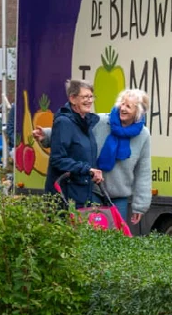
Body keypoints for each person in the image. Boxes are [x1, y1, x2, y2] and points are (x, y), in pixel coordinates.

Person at [37, 88, 153, 225]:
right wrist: (47, 135)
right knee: (91, 232)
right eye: (122, 104)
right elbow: (74, 133)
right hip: (93, 190)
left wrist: (140, 206)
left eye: (128, 106)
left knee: (116, 235)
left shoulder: (143, 135)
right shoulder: (101, 121)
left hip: (119, 197)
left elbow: (143, 171)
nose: (122, 108)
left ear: (138, 112)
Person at [44, 79, 103, 207]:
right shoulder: (63, 122)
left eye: (91, 96)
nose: (89, 100)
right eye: (85, 97)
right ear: (72, 98)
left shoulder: (86, 123)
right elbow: (57, 159)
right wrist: (87, 169)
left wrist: (92, 171)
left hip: (81, 192)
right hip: (65, 195)